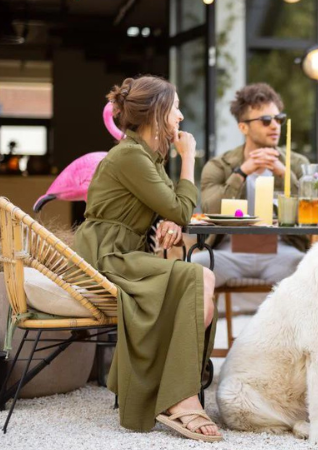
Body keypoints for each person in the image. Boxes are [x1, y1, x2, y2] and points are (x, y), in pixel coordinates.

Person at [74, 76, 221, 442]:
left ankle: (174, 392)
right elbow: (182, 208)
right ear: (157, 114)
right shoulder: (130, 156)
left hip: (127, 252)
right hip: (108, 255)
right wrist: (189, 160)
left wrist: (167, 218)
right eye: (174, 109)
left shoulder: (146, 156)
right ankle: (179, 398)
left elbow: (169, 209)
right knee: (197, 278)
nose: (181, 117)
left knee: (202, 279)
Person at [191, 83, 309, 285]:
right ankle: (202, 318)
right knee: (193, 268)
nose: (275, 126)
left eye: (279, 119)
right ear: (243, 126)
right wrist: (241, 172)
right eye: (265, 120)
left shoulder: (297, 164)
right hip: (229, 253)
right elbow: (211, 209)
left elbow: (310, 214)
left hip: (282, 253)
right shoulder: (219, 165)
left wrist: (284, 173)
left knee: (312, 271)